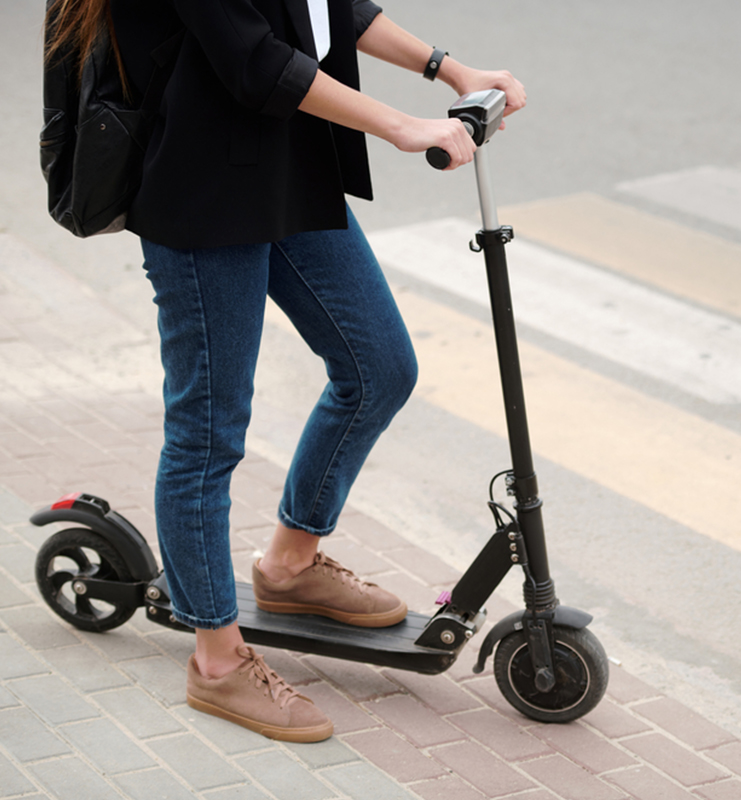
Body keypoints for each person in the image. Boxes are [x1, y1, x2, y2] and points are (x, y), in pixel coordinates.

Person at [46, 0, 525, 742]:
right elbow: (253, 57)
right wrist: (401, 124)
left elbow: (331, 9)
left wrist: (450, 68)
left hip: (286, 166)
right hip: (201, 192)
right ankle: (216, 662)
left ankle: (290, 565)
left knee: (379, 368)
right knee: (208, 433)